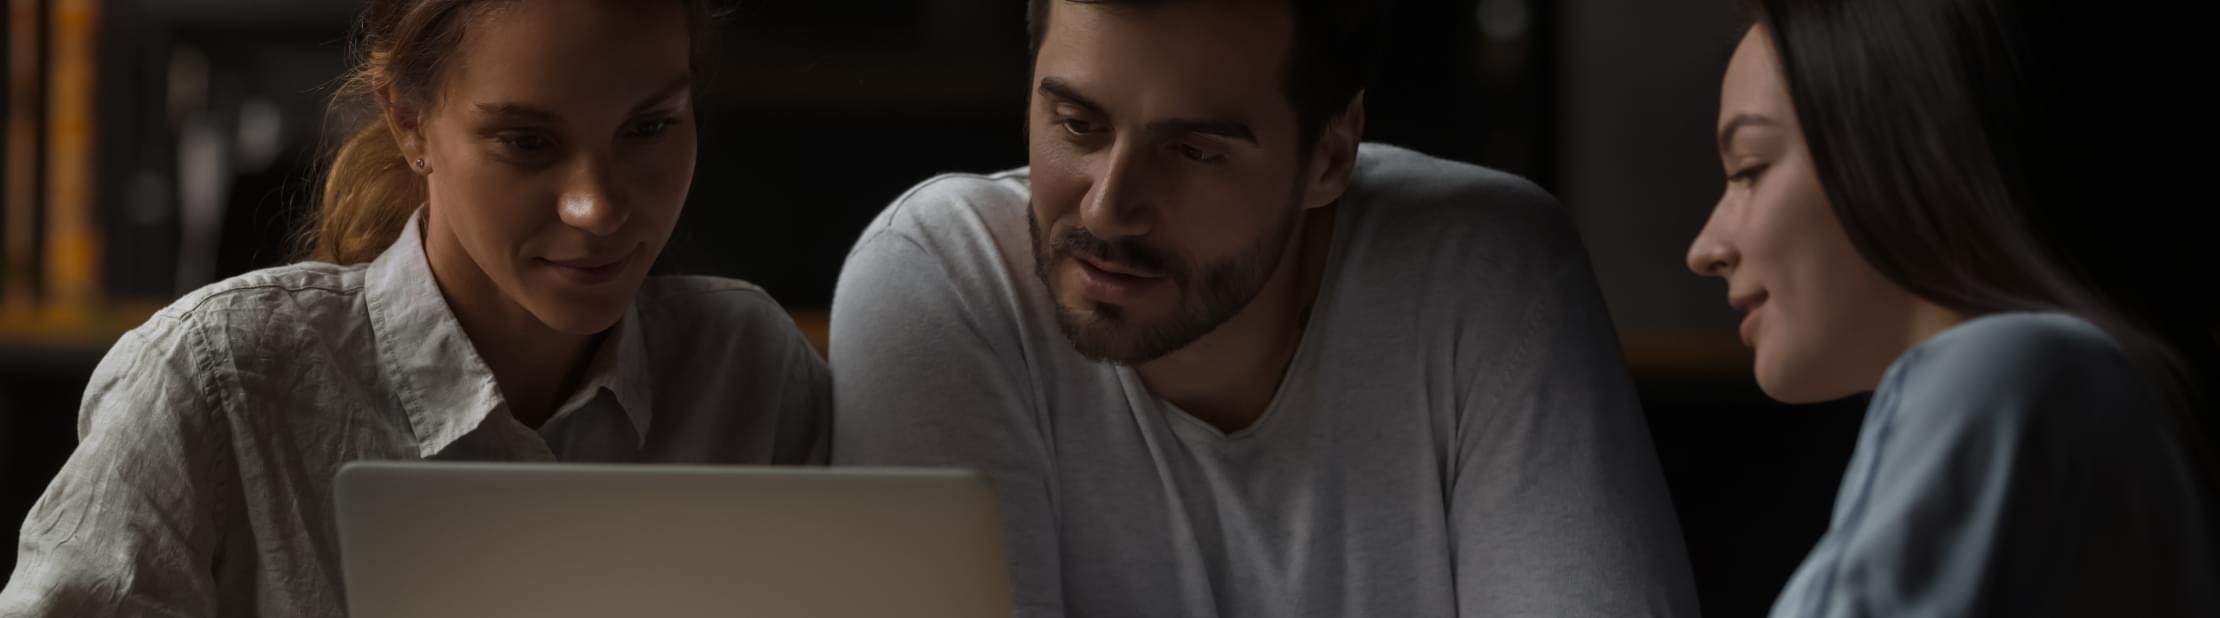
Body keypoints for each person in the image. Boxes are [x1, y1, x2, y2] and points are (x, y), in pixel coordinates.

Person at [830, 0, 1698, 615]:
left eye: (1195, 150)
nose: (1106, 209)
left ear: (1329, 153)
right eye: (1078, 126)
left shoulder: (1489, 274)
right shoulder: (941, 282)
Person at [0, 1, 826, 615]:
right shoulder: (217, 388)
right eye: (527, 142)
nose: (595, 207)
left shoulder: (749, 370)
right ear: (408, 121)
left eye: (649, 128)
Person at [1688, 0, 2220, 614]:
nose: (1705, 250)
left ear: (1904, 149)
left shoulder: (2008, 370)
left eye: (1750, 167)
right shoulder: (2092, 396)